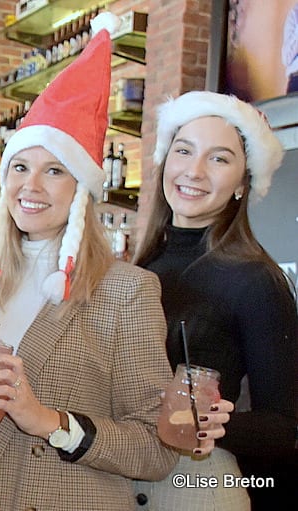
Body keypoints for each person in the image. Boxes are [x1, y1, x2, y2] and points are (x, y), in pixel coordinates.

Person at [0, 13, 178, 510]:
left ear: (81, 189)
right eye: (20, 167)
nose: (30, 186)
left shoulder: (126, 290)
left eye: (54, 170)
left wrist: (51, 422)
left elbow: (158, 447)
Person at [132, 91, 298, 509]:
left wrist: (218, 423)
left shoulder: (255, 280)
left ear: (244, 183)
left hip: (195, 484)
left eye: (219, 158)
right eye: (184, 150)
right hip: (122, 473)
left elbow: (285, 428)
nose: (194, 170)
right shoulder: (142, 265)